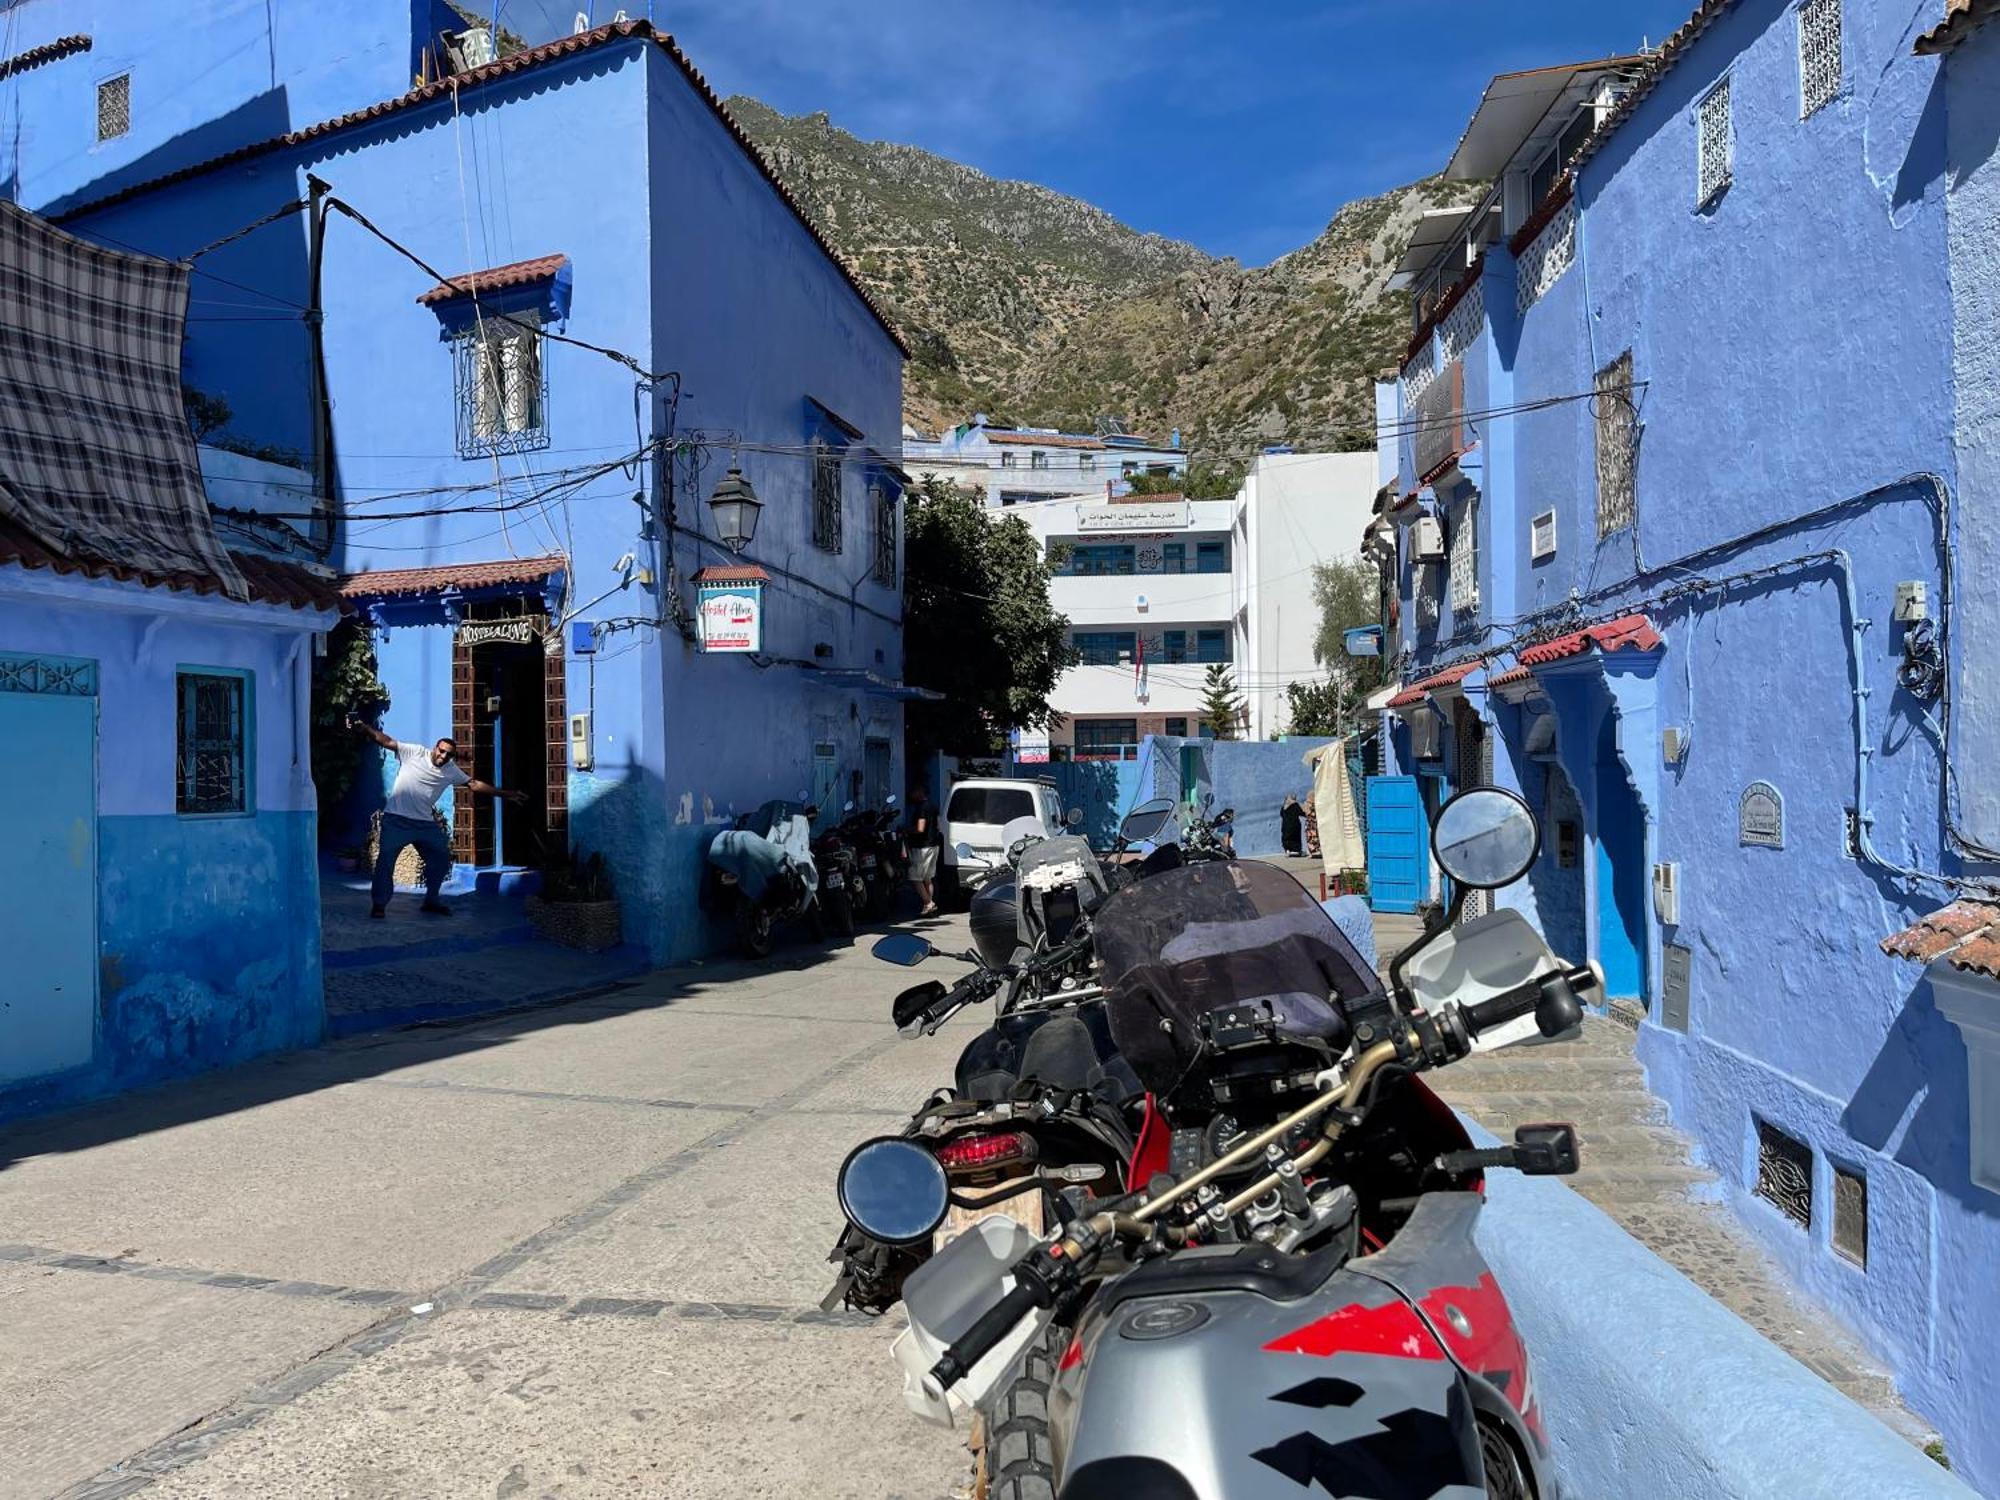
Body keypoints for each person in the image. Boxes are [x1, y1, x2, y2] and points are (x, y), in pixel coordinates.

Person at [351, 717, 526, 917]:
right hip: (397, 820)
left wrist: (507, 794)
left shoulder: (451, 770)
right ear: (435, 748)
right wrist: (365, 727)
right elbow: (386, 740)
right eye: (441, 751)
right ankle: (379, 905)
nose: (443, 756)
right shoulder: (415, 753)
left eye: (449, 755)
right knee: (385, 862)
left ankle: (431, 900)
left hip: (425, 824)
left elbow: (474, 784)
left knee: (441, 858)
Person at [907, 785, 943, 915]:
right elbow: (939, 826)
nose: (911, 795)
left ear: (920, 792)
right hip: (934, 846)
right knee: (928, 878)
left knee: (915, 878)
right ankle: (928, 907)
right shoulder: (933, 806)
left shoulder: (921, 808)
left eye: (913, 792)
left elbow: (920, 829)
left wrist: (907, 830)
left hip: (922, 847)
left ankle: (928, 903)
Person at [1280, 792, 1305, 857]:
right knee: (1295, 838)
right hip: (1294, 825)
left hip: (1285, 826)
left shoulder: (1283, 807)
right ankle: (1295, 851)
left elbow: (1281, 814)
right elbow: (1301, 813)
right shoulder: (1295, 805)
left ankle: (1288, 850)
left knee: (1286, 838)